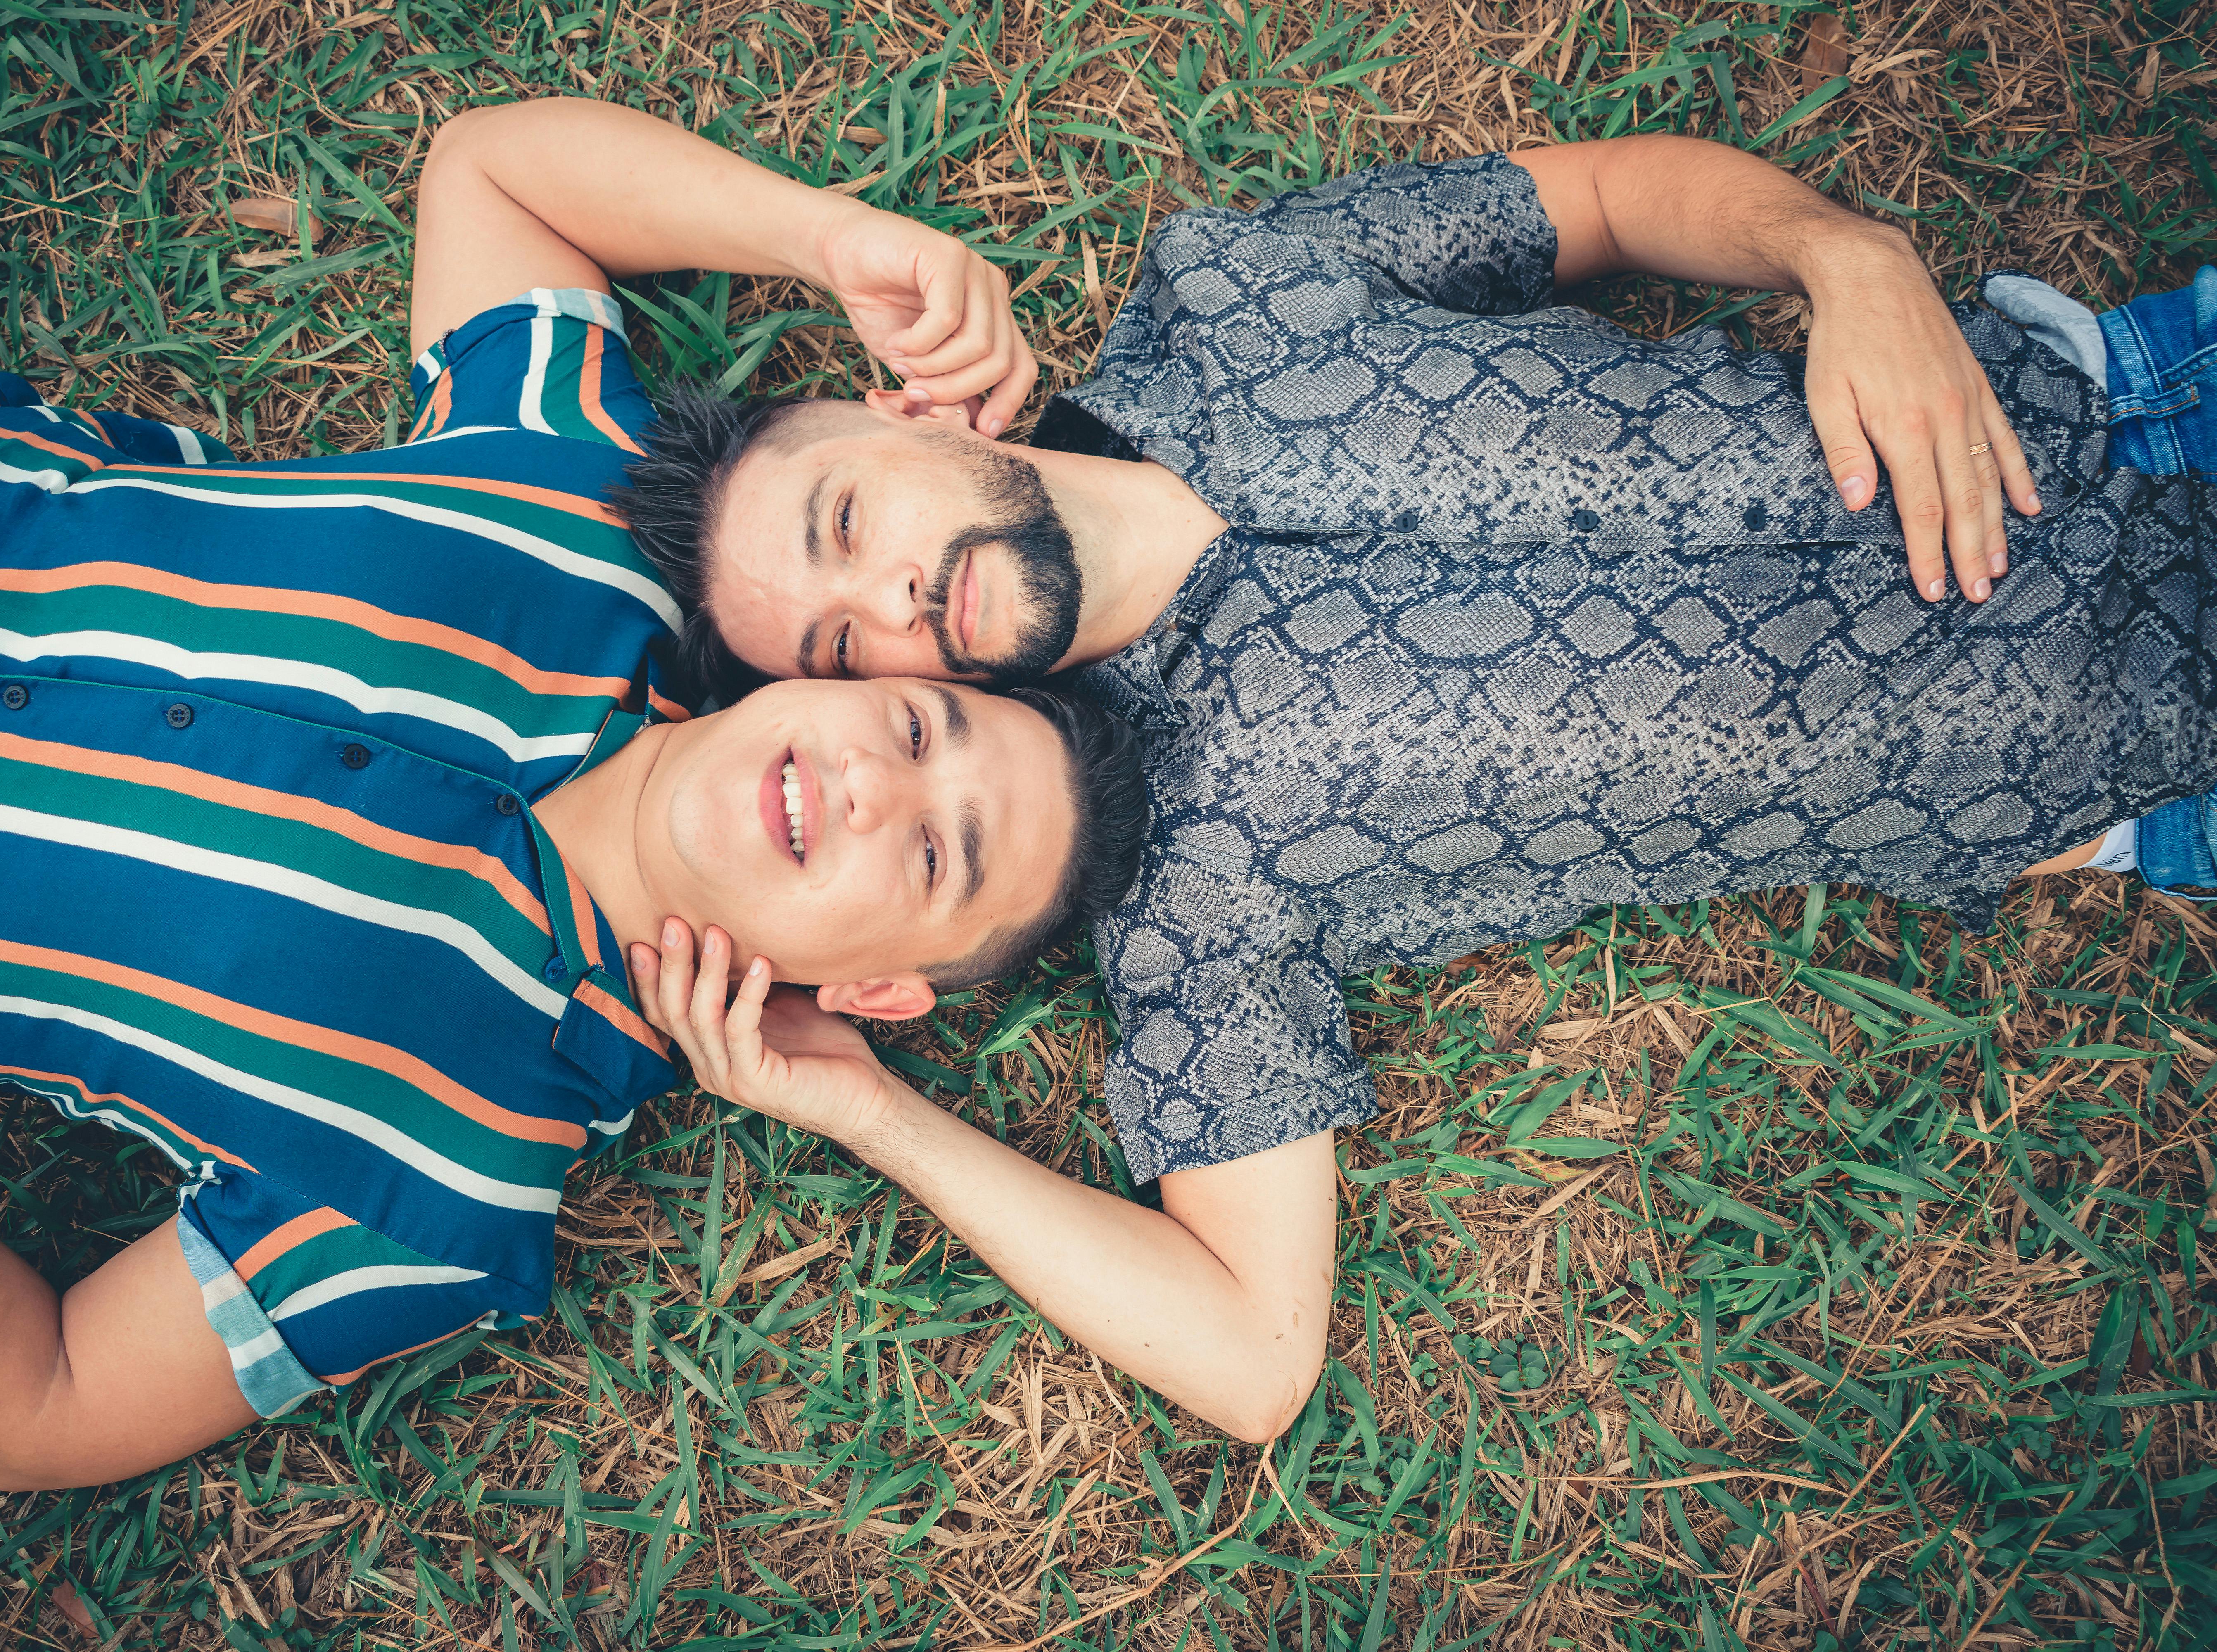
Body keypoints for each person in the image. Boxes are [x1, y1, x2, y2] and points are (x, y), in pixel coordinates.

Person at [542, 99, 2211, 1439]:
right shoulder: (1173, 883)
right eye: (839, 654)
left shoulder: (1239, 288)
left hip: (2126, 387)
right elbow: (1255, 1355)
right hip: (2153, 729)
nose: (892, 606)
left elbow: (1617, 199)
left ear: (908, 411)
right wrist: (862, 1103)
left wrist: (1843, 258)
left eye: (848, 524)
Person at [0, 243, 1147, 1490]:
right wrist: (832, 236)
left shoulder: (452, 1175)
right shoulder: (591, 518)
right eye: (913, 725)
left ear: (881, 993)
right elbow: (504, 180)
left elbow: (32, 1409)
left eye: (927, 852)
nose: (868, 785)